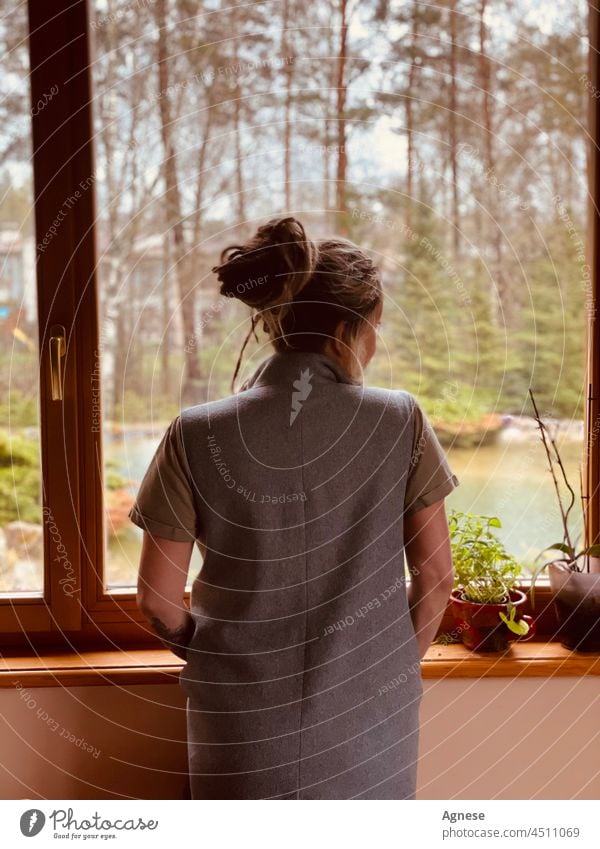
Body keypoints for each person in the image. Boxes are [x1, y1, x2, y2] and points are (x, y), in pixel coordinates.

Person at [129, 215, 458, 800]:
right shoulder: (400, 421)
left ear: (274, 322)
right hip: (371, 725)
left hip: (238, 727)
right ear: (351, 327)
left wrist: (208, 649)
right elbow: (435, 578)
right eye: (375, 327)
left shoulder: (195, 432)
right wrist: (389, 671)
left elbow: (156, 599)